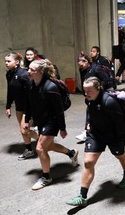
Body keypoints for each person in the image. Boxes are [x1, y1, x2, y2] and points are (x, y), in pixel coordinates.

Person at [66, 77, 125, 207]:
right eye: (85, 90)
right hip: (96, 134)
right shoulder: (89, 99)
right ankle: (82, 196)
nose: (86, 93)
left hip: (114, 135)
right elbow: (89, 111)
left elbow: (120, 123)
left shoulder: (109, 102)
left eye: (89, 90)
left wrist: (120, 139)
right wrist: (87, 125)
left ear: (99, 89)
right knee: (88, 162)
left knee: (119, 155)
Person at [24, 59, 78, 190]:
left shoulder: (50, 87)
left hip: (52, 121)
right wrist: (27, 120)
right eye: (28, 68)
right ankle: (71, 153)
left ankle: (46, 177)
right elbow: (29, 104)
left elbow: (59, 110)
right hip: (41, 120)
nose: (28, 71)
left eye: (32, 69)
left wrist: (62, 128)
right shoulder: (32, 85)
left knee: (40, 148)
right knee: (49, 146)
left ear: (41, 71)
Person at [5, 52, 38, 160]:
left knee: (24, 130)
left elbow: (33, 92)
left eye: (9, 61)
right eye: (5, 61)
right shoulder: (9, 74)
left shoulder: (24, 74)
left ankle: (43, 139)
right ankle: (29, 149)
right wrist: (8, 106)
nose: (6, 63)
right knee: (23, 129)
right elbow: (10, 91)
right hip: (19, 107)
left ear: (17, 62)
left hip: (28, 107)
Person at [75, 53, 115, 142]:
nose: (81, 66)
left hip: (101, 94)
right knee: (91, 111)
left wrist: (98, 90)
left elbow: (106, 80)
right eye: (79, 64)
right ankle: (88, 131)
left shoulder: (97, 68)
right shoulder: (82, 69)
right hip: (91, 95)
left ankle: (91, 131)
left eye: (82, 64)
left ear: (87, 62)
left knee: (97, 111)